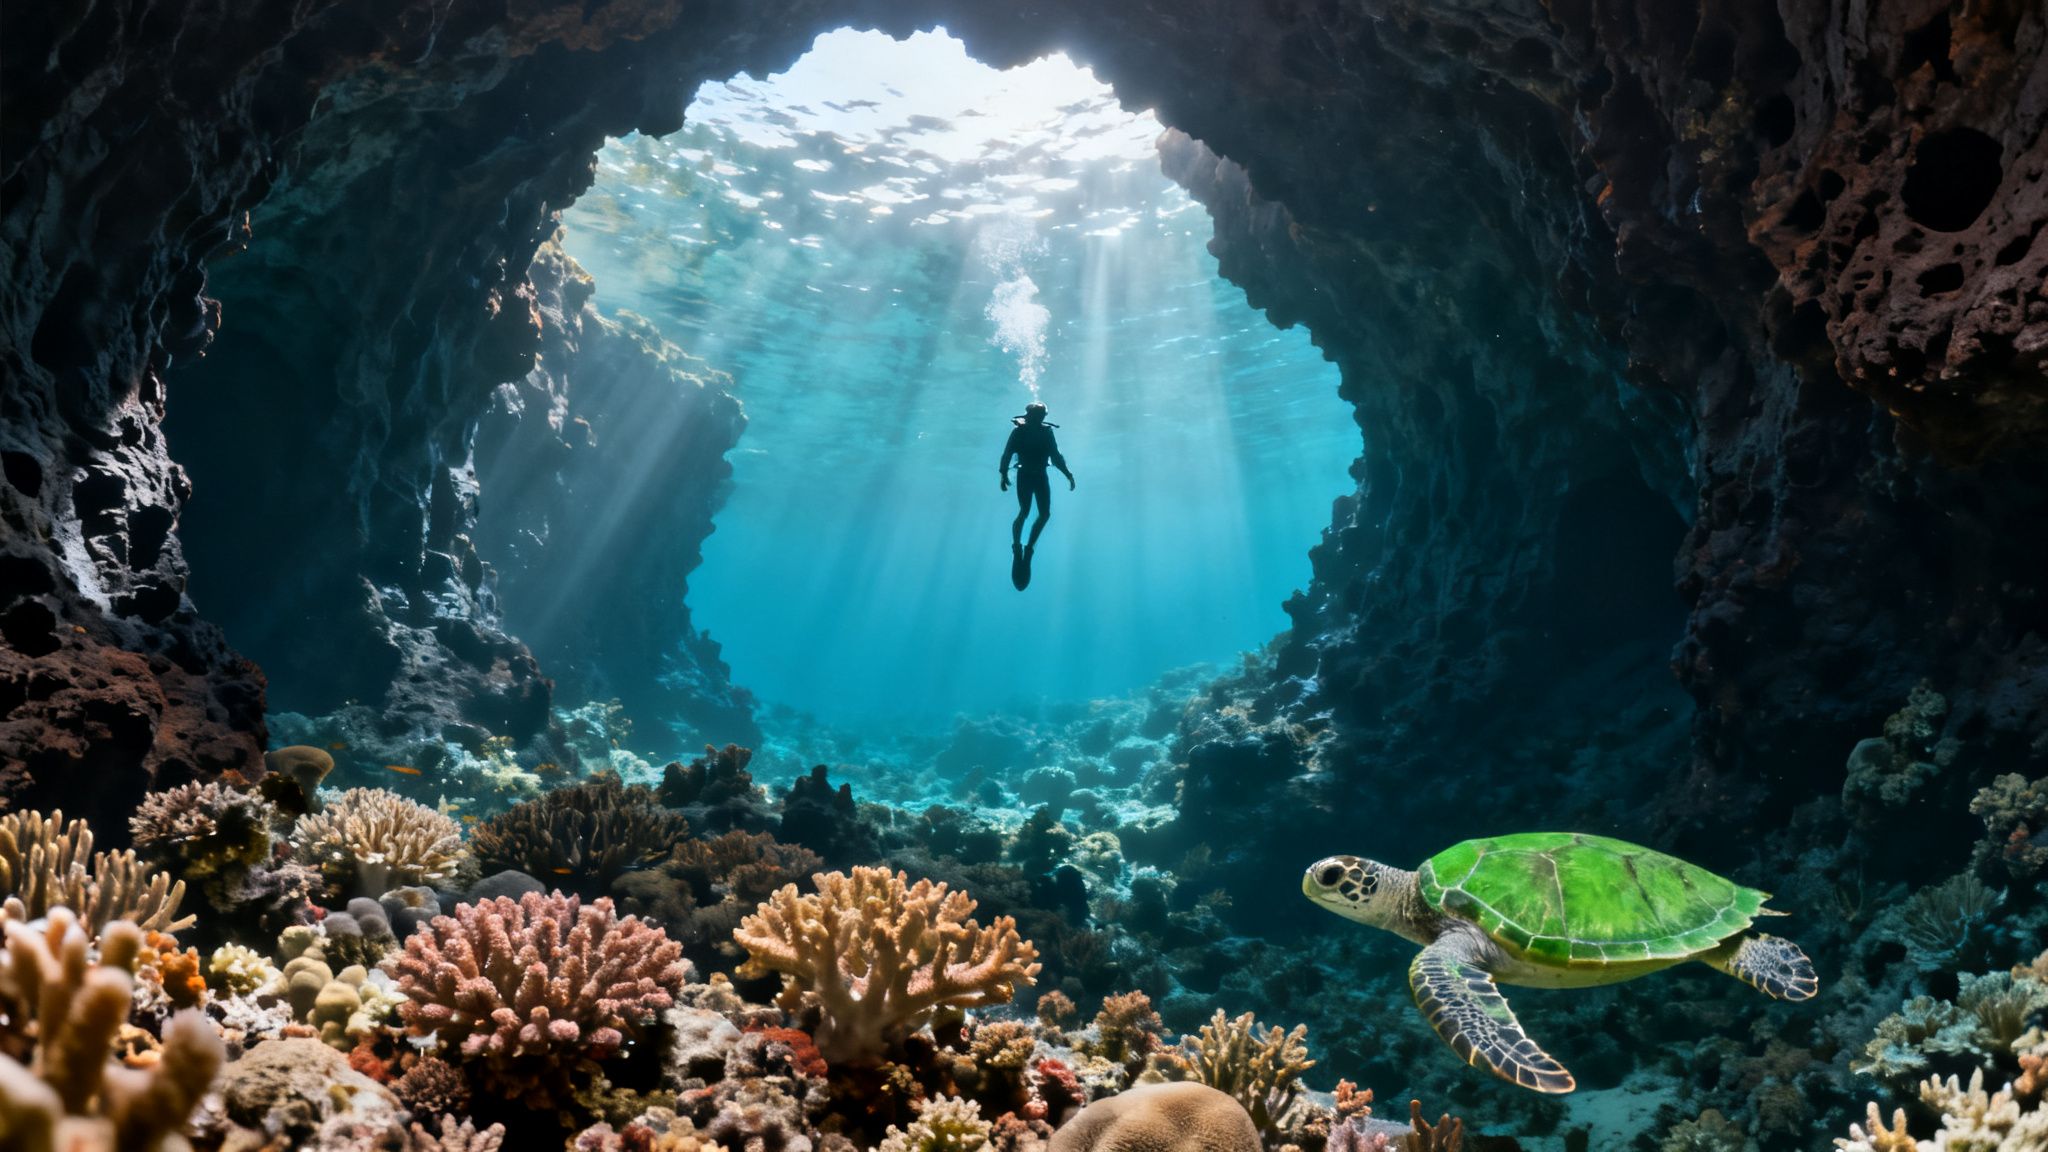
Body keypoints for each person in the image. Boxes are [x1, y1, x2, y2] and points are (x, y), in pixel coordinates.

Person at [999, 401, 1074, 561]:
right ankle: (1017, 546)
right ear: (1030, 416)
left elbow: (1056, 457)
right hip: (1026, 475)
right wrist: (1003, 475)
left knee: (1044, 514)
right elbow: (1007, 454)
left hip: (1039, 476)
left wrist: (1068, 474)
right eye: (1037, 416)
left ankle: (1029, 548)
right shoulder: (1018, 432)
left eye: (1041, 416)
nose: (1039, 419)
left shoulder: (1046, 432)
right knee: (1025, 512)